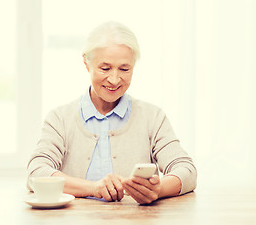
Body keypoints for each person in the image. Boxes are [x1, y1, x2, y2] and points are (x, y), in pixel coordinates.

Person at [27, 21, 197, 204]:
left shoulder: (153, 117)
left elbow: (186, 170)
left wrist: (158, 189)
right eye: (105, 68)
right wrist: (93, 188)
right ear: (86, 63)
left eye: (124, 69)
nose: (115, 80)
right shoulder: (59, 119)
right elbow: (36, 171)